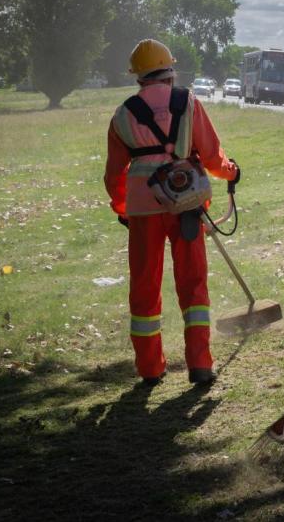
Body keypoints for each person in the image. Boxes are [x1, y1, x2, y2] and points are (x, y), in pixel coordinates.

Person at [104, 39, 239, 386]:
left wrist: (123, 209)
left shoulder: (123, 114)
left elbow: (114, 175)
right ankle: (201, 365)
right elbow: (210, 156)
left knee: (145, 285)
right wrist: (230, 171)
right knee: (193, 284)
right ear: (169, 71)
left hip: (143, 210)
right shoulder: (188, 103)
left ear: (138, 77)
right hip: (187, 205)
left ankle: (150, 369)